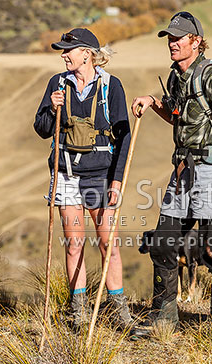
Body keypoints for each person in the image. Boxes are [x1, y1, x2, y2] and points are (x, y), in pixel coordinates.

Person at [131, 12, 212, 336]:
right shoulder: (176, 77)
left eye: (178, 38)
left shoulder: (210, 72)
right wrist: (152, 102)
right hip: (183, 170)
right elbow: (177, 117)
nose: (172, 43)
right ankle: (164, 317)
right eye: (169, 38)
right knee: (161, 243)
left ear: (195, 41)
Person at [34, 28, 137, 339]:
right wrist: (52, 109)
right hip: (65, 173)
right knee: (74, 243)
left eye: (69, 50)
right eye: (63, 51)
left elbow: (124, 137)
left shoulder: (111, 86)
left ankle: (119, 309)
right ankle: (77, 311)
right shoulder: (57, 83)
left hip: (100, 176)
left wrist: (116, 181)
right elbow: (41, 129)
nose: (64, 55)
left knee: (108, 243)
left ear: (87, 54)